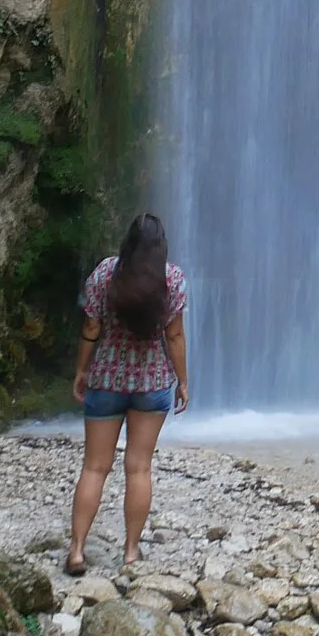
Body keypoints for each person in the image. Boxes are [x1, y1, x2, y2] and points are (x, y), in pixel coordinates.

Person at [67, 212, 189, 572]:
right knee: (139, 469)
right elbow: (175, 335)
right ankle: (131, 552)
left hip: (106, 379)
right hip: (152, 385)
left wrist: (81, 370)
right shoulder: (173, 279)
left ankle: (76, 551)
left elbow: (91, 327)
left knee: (94, 467)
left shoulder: (105, 273)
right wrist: (182, 381)